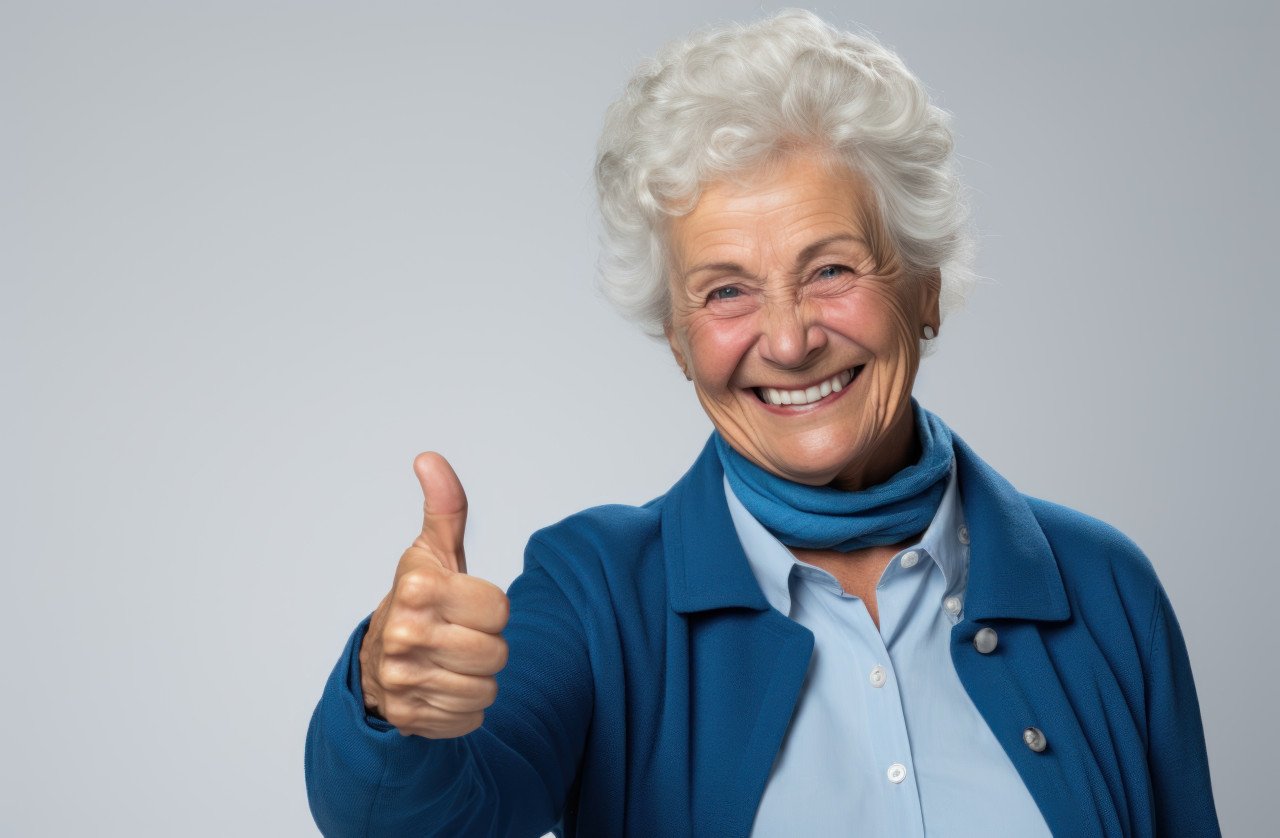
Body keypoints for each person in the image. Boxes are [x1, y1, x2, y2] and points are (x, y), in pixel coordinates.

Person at [304, 8, 1220, 836]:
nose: (786, 340)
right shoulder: (596, 597)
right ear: (677, 339)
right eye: (726, 290)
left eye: (831, 270)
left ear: (926, 287)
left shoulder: (1105, 592)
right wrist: (393, 708)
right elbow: (423, 822)